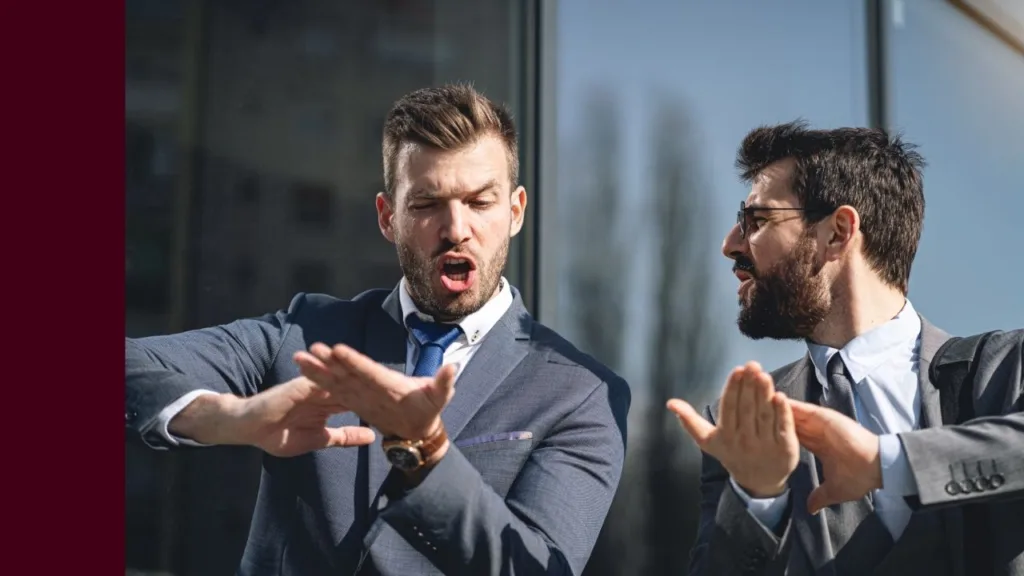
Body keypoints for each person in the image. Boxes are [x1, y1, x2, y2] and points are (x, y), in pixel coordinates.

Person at [125, 83, 631, 576]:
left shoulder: (582, 395)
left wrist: (429, 455)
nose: (456, 230)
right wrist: (229, 418)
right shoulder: (306, 333)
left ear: (515, 212)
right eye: (426, 204)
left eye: (480, 202)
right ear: (388, 218)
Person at [667, 121, 1023, 575]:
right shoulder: (746, 422)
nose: (730, 244)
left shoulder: (1005, 369)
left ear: (838, 232)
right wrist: (758, 501)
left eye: (757, 220)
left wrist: (887, 464)